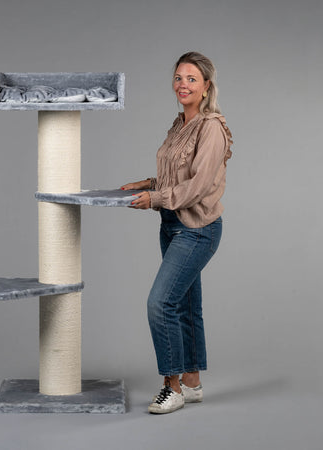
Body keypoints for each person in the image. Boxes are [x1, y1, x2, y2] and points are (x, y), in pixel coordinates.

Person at [121, 51, 233, 414]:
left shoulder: (211, 127)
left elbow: (198, 186)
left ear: (206, 87)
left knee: (160, 303)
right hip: (171, 225)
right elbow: (175, 177)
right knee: (185, 304)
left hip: (197, 229)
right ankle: (192, 382)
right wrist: (148, 183)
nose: (183, 85)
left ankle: (172, 387)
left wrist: (154, 198)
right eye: (178, 78)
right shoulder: (179, 124)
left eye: (191, 79)